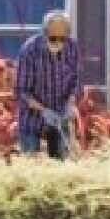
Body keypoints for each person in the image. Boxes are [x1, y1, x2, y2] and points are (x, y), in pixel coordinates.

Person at [14, 10, 83, 159]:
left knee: (60, 164)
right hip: (32, 119)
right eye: (53, 38)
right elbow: (22, 92)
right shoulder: (29, 51)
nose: (58, 42)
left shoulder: (72, 48)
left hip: (60, 117)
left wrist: (69, 105)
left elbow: (75, 81)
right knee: (31, 164)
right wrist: (44, 110)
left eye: (62, 38)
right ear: (45, 34)